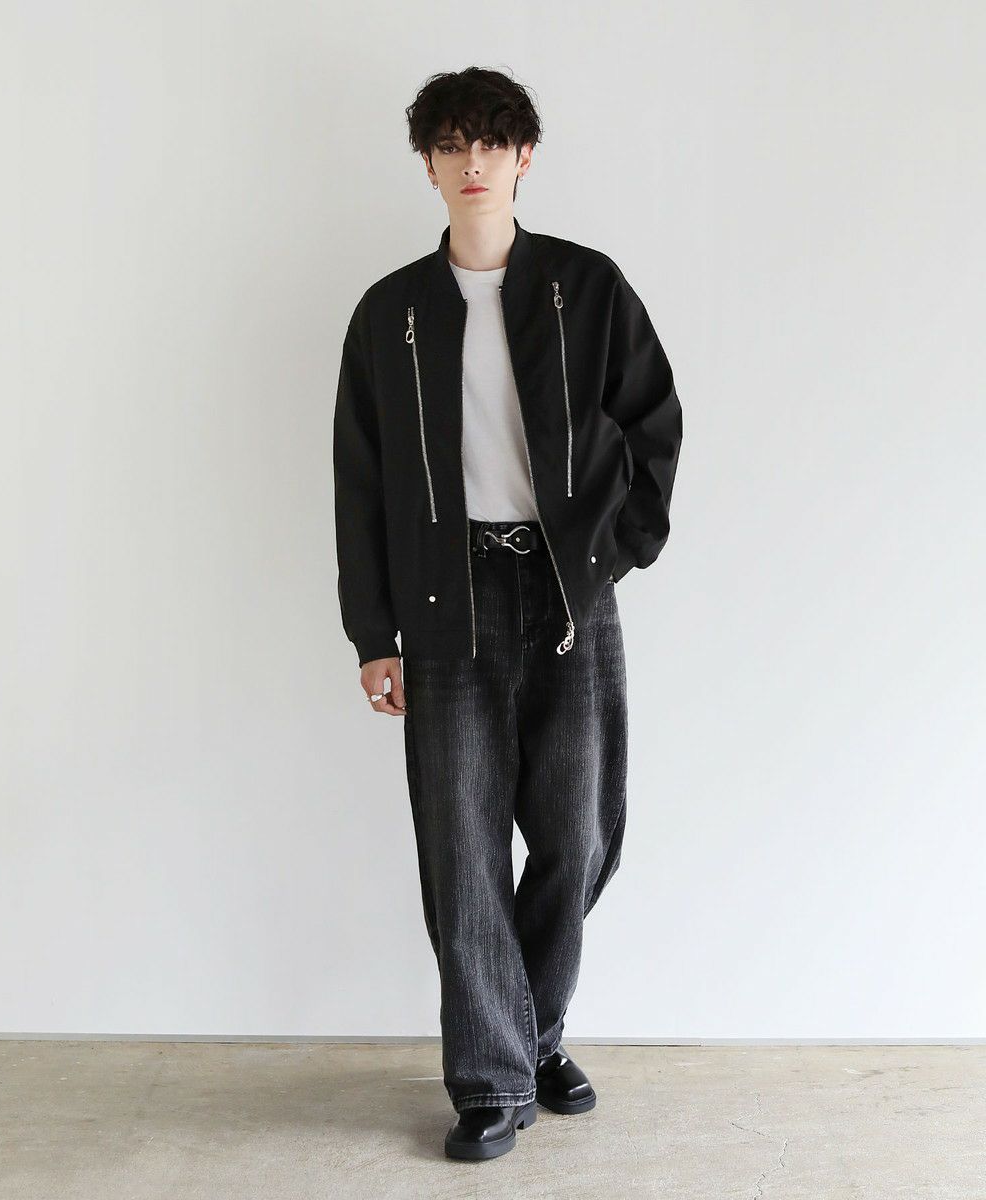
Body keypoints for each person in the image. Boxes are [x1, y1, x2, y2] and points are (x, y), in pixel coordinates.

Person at [333, 66, 683, 1161]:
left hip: (568, 595)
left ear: (524, 156)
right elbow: (359, 479)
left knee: (580, 837)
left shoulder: (587, 287)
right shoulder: (390, 312)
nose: (472, 162)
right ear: (428, 164)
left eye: (491, 142)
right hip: (446, 602)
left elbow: (654, 424)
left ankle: (531, 1036)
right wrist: (373, 634)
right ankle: (491, 1080)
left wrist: (612, 553)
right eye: (451, 144)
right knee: (463, 849)